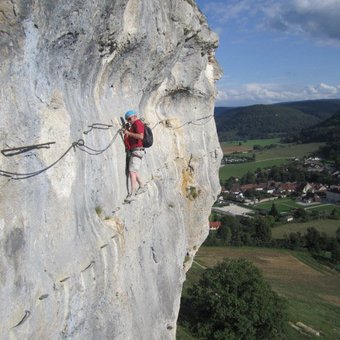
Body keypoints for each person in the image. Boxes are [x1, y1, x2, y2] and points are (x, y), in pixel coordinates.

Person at [123, 110, 147, 203]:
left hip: (137, 150)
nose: (129, 121)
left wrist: (128, 133)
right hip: (136, 150)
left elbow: (141, 137)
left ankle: (132, 194)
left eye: (129, 119)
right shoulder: (134, 125)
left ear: (134, 116)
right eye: (127, 120)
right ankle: (142, 186)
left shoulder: (138, 123)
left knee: (132, 171)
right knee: (134, 170)